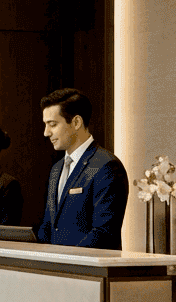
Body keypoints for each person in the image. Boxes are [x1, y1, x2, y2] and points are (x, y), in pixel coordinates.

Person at [35, 88, 129, 250]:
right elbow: (48, 226)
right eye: (45, 125)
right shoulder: (56, 169)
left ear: (76, 122)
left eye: (53, 125)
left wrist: (66, 259)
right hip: (57, 264)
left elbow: (103, 233)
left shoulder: (106, 166)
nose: (46, 133)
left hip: (88, 264)